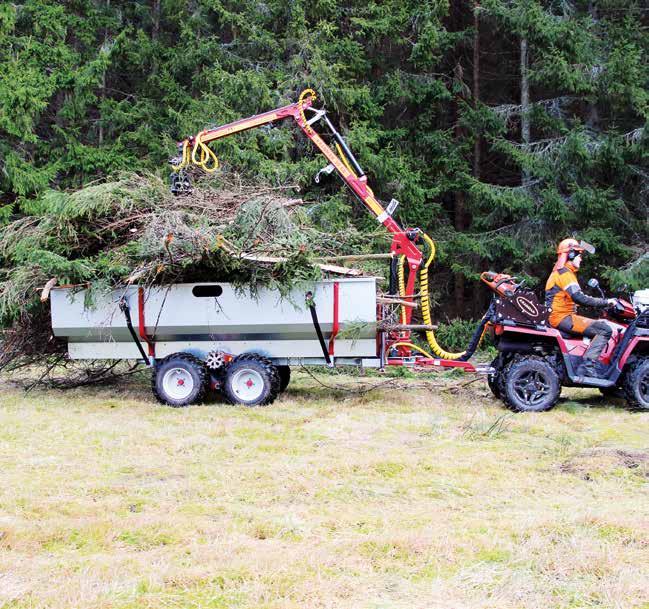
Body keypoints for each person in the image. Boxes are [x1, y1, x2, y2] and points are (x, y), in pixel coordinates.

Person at [545, 238, 617, 377]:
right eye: (579, 255)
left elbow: (572, 299)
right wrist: (606, 302)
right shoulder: (565, 273)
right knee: (605, 329)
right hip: (562, 318)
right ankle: (587, 367)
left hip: (560, 316)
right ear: (570, 255)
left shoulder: (559, 272)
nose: (581, 259)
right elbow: (579, 297)